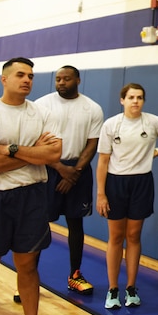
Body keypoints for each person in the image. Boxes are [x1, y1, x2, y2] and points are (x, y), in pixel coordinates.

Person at [0, 58, 62, 315]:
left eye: (31, 76)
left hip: (32, 196)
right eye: (21, 75)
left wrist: (8, 149)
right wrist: (32, 153)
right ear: (4, 79)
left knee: (27, 264)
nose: (27, 80)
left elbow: (53, 154)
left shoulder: (43, 113)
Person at [95, 83, 158, 310]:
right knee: (116, 237)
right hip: (116, 183)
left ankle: (131, 288)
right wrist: (101, 193)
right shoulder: (111, 124)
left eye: (139, 97)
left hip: (142, 183)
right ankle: (113, 288)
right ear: (122, 100)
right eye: (131, 97)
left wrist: (157, 151)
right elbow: (103, 162)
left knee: (134, 235)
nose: (135, 101)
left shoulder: (153, 122)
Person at [34, 66, 104, 297]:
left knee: (76, 224)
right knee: (39, 224)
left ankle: (75, 275)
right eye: (58, 79)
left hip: (78, 171)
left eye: (66, 79)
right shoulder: (42, 104)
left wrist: (74, 172)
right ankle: (28, 278)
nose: (61, 82)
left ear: (78, 80)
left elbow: (92, 143)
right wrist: (60, 168)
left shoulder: (92, 108)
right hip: (50, 168)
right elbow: (35, 142)